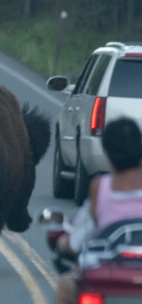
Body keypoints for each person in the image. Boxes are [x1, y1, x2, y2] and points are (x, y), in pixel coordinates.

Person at [55, 117, 142, 304]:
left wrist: (64, 242)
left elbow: (79, 239)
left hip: (111, 278)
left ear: (107, 153)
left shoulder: (100, 187)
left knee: (65, 286)